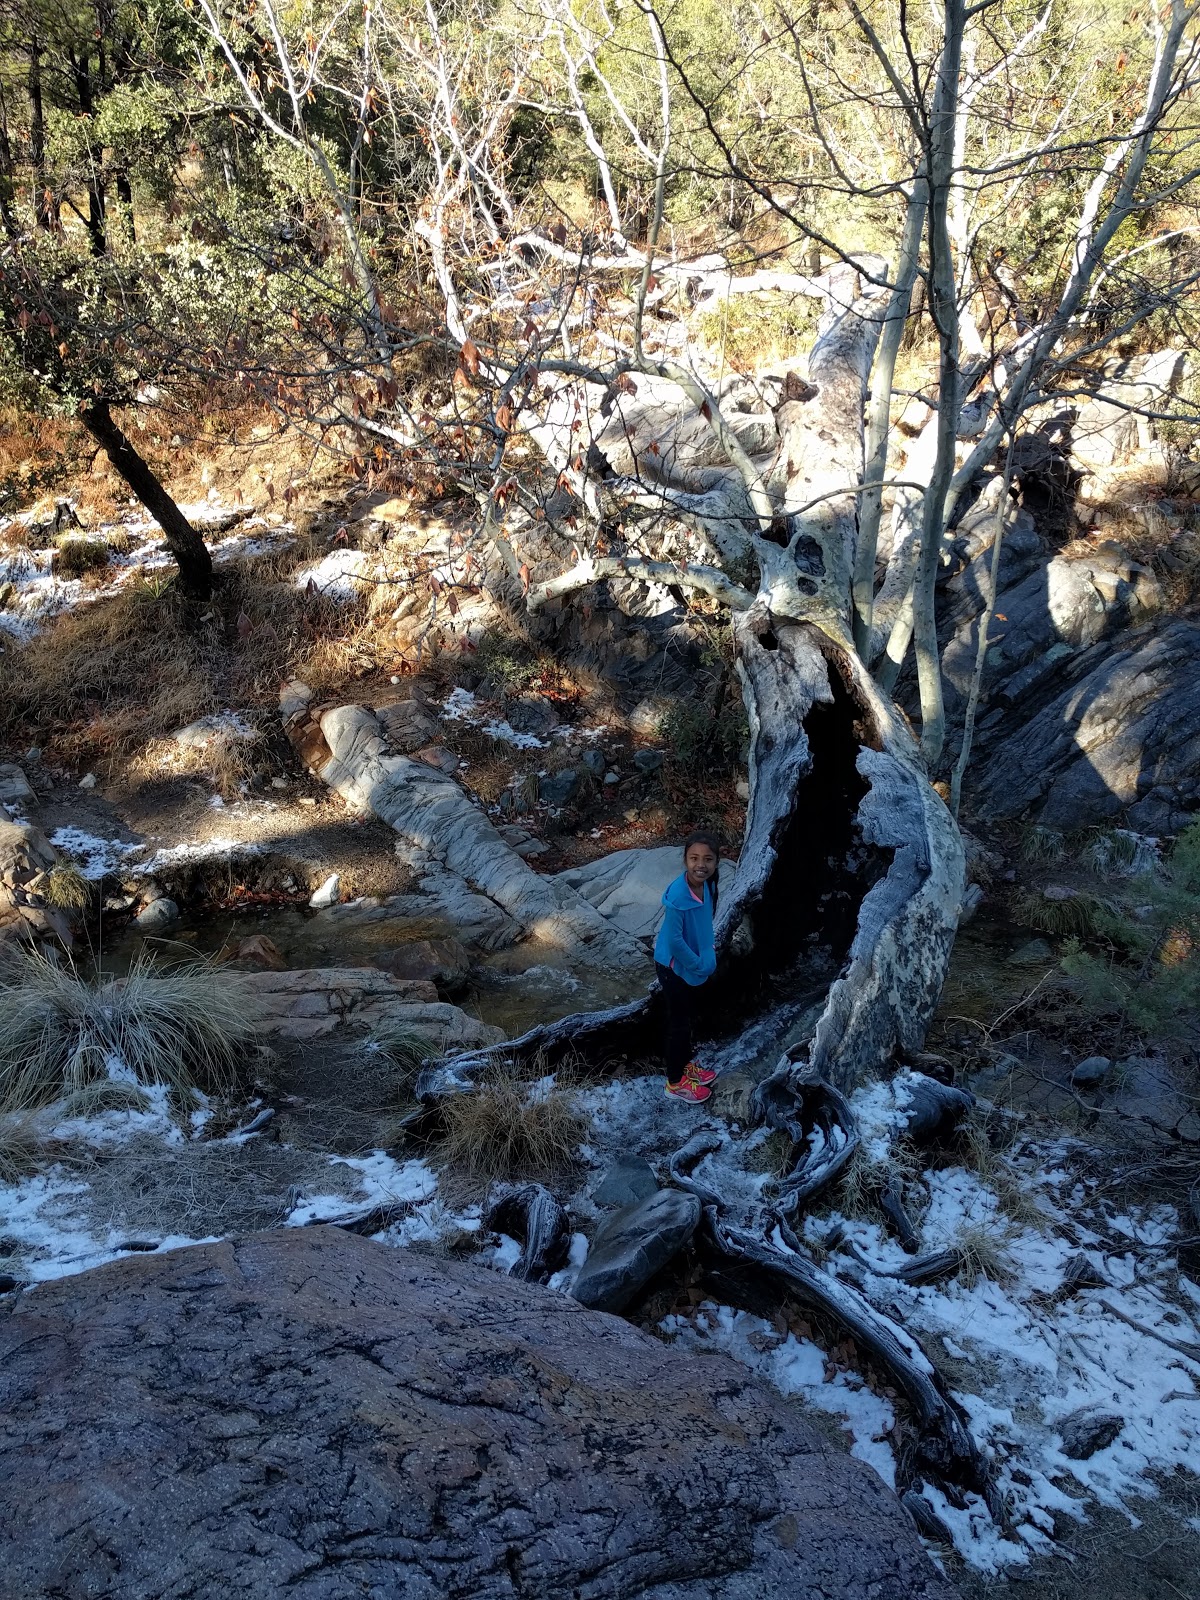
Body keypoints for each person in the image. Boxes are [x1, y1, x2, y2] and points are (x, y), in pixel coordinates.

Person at [653, 830, 721, 1103]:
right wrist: (699, 965)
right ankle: (675, 1081)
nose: (700, 865)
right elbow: (675, 940)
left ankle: (686, 1064)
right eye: (694, 858)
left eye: (708, 859)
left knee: (689, 1016)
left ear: (716, 862)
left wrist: (709, 951)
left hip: (692, 959)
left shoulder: (709, 885)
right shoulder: (679, 897)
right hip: (672, 965)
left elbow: (704, 924)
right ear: (684, 860)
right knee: (679, 1023)